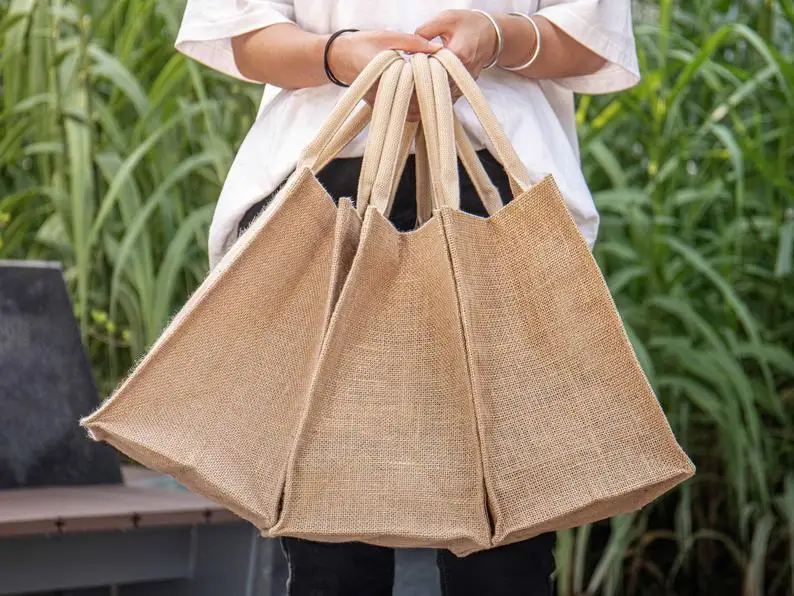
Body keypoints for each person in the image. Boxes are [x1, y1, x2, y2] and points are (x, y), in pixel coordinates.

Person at [175, 1, 639, 594]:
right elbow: (246, 35)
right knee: (331, 535)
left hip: (494, 189)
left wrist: (496, 37)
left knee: (506, 534)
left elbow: (590, 37)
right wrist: (339, 55)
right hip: (330, 185)